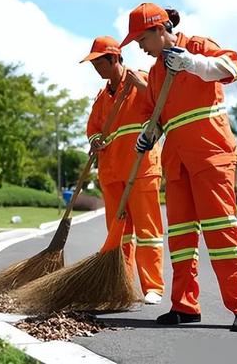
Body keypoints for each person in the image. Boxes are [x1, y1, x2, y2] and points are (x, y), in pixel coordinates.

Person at [120, 3, 237, 332]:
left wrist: (191, 63)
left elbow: (232, 67)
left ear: (159, 30)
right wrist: (149, 135)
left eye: (141, 38)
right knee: (181, 237)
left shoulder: (198, 46)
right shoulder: (155, 73)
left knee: (221, 232)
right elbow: (157, 117)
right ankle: (185, 306)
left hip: (211, 155)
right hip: (177, 162)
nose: (139, 46)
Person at [82, 35, 165, 304]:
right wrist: (95, 141)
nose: (96, 69)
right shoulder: (102, 95)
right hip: (111, 172)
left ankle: (153, 286)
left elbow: (160, 106)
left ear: (115, 58)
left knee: (147, 230)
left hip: (141, 169)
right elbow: (93, 128)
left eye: (99, 63)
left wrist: (141, 86)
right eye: (93, 64)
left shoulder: (142, 79)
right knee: (118, 233)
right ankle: (122, 285)